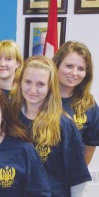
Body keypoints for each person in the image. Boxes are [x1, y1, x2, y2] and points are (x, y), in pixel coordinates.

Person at [11, 56, 91, 196]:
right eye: (28, 82)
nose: (33, 89)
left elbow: (77, 178)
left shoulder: (64, 124)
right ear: (20, 83)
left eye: (41, 84)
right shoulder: (11, 118)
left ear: (50, 87)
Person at [53, 41, 99, 165]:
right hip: (36, 178)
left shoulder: (89, 106)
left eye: (81, 69)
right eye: (69, 66)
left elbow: (89, 149)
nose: (74, 73)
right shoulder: (39, 98)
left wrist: (77, 180)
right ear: (57, 65)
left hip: (69, 180)